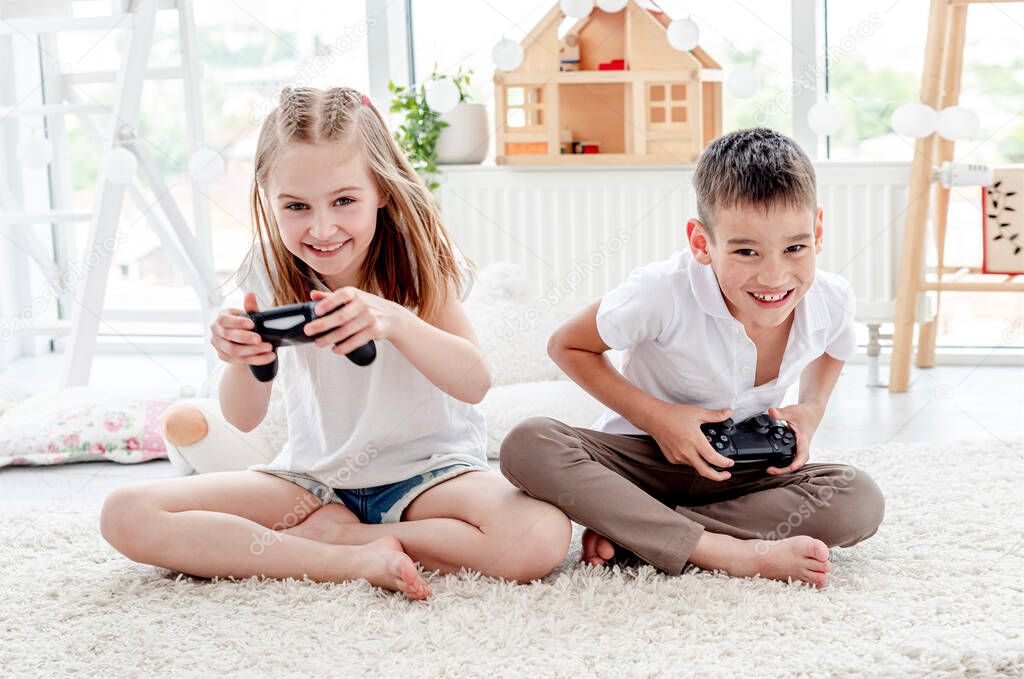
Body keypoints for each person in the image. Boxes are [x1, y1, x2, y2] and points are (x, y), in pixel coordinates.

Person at [101, 86, 571, 600]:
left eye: (345, 201)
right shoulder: (268, 265)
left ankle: (348, 539)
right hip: (312, 481)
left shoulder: (418, 261)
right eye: (297, 206)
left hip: (429, 477)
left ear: (382, 191)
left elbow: (474, 382)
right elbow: (242, 418)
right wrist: (241, 359)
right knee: (126, 513)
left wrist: (393, 320)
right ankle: (343, 559)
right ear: (267, 197)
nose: (322, 228)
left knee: (541, 536)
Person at [500, 128, 885, 589]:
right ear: (701, 243)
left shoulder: (830, 298)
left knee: (859, 498)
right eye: (746, 251)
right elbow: (567, 345)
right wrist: (661, 419)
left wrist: (812, 409)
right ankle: (723, 551)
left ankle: (639, 532)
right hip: (640, 463)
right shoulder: (660, 291)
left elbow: (835, 349)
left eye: (794, 248)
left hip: (741, 473)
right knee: (529, 442)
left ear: (817, 232)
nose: (774, 275)